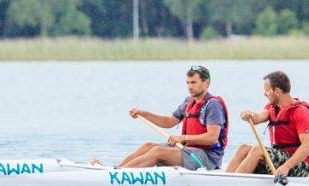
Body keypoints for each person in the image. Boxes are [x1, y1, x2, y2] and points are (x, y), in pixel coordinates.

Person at [98, 65, 229, 170]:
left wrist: (183, 138)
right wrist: (143, 113)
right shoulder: (189, 101)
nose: (189, 86)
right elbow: (169, 121)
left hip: (207, 157)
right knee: (148, 146)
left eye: (193, 82)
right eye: (187, 83)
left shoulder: (213, 105)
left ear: (206, 83)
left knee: (158, 152)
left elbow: (211, 138)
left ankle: (118, 174)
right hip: (189, 149)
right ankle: (117, 169)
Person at [226, 70, 309, 178]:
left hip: (300, 165)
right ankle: (225, 182)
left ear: (277, 91)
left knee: (258, 150)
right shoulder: (271, 107)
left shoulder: (301, 112)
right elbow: (257, 118)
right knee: (243, 148)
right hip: (279, 160)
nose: (264, 94)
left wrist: (286, 167)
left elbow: (308, 146)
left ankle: (233, 185)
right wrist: (249, 114)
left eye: (267, 90)